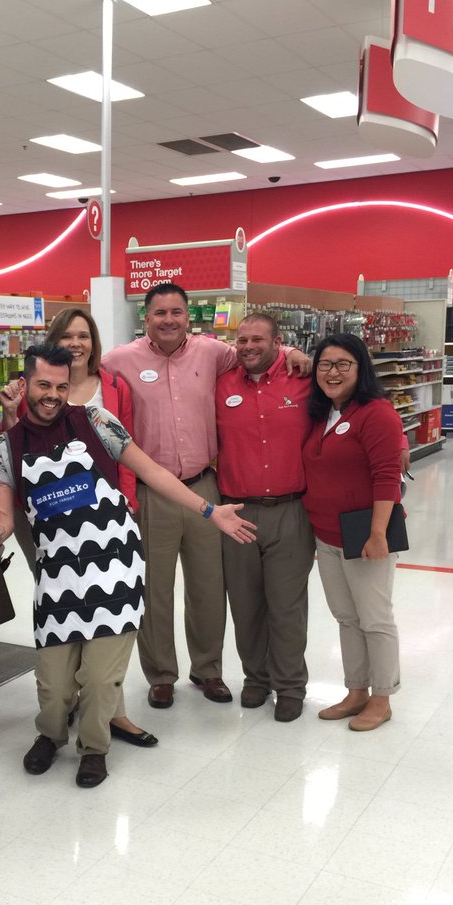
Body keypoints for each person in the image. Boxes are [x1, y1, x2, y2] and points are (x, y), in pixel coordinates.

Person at [0, 343, 256, 790]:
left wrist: (210, 512)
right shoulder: (4, 447)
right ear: (25, 382)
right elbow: (0, 521)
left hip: (115, 567)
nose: (52, 394)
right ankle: (50, 734)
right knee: (54, 685)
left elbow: (152, 472)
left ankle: (94, 749)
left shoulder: (96, 422)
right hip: (56, 575)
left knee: (100, 678)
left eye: (61, 385)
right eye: (42, 385)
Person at [104, 282, 308, 711]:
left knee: (209, 588)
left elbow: (261, 354)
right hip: (152, 492)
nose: (169, 320)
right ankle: (161, 675)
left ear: (187, 316)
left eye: (177, 312)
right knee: (155, 589)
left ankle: (208, 669)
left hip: (206, 489)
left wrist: (294, 354)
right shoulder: (119, 360)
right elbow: (86, 379)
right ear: (146, 318)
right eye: (160, 313)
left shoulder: (213, 351)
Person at [2, 307, 155, 749]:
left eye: (83, 335)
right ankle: (61, 715)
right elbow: (16, 453)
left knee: (107, 636)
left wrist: (127, 500)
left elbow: (126, 453)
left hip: (106, 525)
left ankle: (107, 720)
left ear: (93, 342)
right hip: (50, 528)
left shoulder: (111, 389)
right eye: (67, 334)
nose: (76, 342)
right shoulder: (33, 385)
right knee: (65, 628)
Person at [215, 314, 314, 722]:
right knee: (245, 603)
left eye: (258, 339)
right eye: (242, 340)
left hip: (291, 510)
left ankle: (291, 684)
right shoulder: (220, 383)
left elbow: (355, 404)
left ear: (279, 342)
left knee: (287, 605)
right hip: (237, 511)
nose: (249, 346)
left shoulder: (304, 381)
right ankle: (256, 678)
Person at [302, 333, 403, 732]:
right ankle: (356, 690)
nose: (333, 372)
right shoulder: (322, 412)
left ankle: (382, 697)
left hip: (364, 536)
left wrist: (378, 534)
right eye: (325, 364)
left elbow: (386, 477)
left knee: (375, 618)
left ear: (360, 369)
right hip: (326, 536)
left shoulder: (376, 413)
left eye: (344, 364)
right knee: (346, 617)